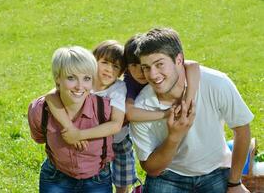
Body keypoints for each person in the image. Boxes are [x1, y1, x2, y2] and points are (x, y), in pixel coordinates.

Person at [130, 28, 254, 193]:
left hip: (215, 171)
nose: (152, 75)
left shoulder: (216, 83)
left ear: (179, 60)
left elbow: (242, 129)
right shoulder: (142, 107)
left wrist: (235, 182)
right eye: (146, 67)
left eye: (159, 64)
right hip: (168, 175)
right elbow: (151, 168)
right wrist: (174, 136)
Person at [44, 40, 130, 193]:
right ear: (92, 61)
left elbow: (116, 125)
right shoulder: (83, 83)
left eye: (115, 66)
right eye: (104, 62)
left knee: (123, 177)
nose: (109, 69)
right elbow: (51, 96)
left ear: (121, 72)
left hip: (117, 140)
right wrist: (70, 128)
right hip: (86, 145)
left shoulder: (118, 88)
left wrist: (79, 134)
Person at [28, 46, 115, 193]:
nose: (79, 86)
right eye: (71, 78)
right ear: (57, 78)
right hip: (56, 178)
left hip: (97, 179)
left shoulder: (105, 109)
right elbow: (40, 138)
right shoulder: (40, 110)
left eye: (86, 78)